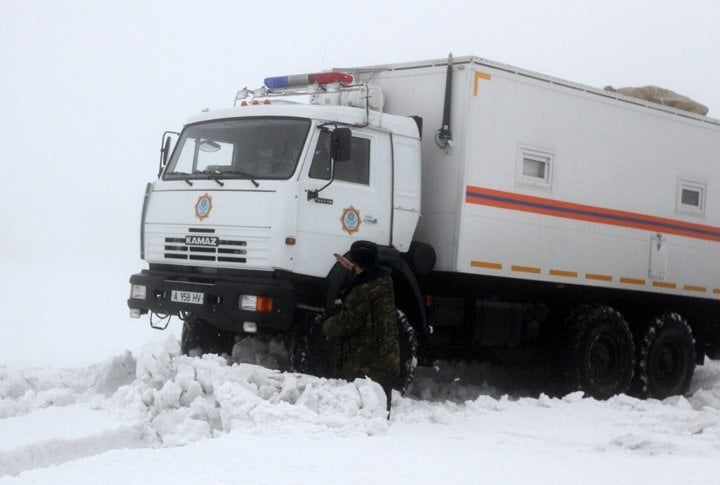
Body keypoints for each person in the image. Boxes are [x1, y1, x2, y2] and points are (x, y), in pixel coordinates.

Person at [322, 241, 400, 416]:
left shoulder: (362, 290)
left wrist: (326, 325)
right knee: (380, 408)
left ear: (357, 262)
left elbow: (349, 320)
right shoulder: (384, 280)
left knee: (366, 412)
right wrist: (351, 268)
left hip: (367, 361)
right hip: (384, 358)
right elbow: (366, 278)